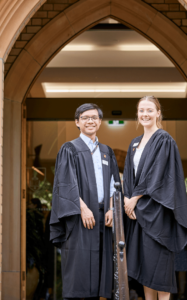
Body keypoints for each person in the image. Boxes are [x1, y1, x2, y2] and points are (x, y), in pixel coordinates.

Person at [123, 96, 187, 300]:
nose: (145, 114)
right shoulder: (134, 143)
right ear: (137, 114)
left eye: (149, 110)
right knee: (146, 270)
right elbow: (128, 175)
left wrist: (134, 198)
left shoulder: (164, 140)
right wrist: (128, 199)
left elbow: (157, 174)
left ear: (158, 113)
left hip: (157, 212)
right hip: (137, 213)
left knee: (159, 268)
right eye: (141, 110)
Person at [50, 103, 121, 300]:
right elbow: (66, 184)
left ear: (99, 122)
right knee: (79, 270)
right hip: (79, 216)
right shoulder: (70, 149)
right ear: (77, 122)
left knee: (101, 273)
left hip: (103, 217)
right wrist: (82, 208)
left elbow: (113, 183)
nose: (90, 121)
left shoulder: (107, 152)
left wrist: (111, 208)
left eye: (94, 117)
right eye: (84, 117)